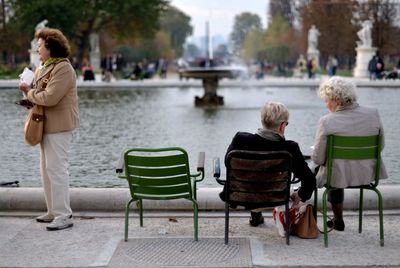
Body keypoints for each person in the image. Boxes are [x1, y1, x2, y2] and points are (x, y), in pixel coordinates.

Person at [19, 27, 80, 231]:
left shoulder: (63, 68)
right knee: (46, 170)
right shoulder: (43, 66)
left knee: (57, 169)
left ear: (50, 46)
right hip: (44, 123)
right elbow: (39, 95)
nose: (37, 47)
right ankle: (53, 211)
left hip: (59, 126)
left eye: (40, 44)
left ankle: (64, 214)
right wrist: (27, 97)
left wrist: (29, 92)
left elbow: (51, 97)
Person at [222, 102, 316, 227]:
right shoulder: (290, 148)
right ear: (282, 126)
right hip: (276, 198)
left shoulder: (240, 139)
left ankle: (255, 215)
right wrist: (298, 196)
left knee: (254, 177)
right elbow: (310, 181)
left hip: (240, 195)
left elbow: (227, 164)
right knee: (269, 182)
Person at [312, 77, 387, 231]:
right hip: (366, 175)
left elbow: (318, 158)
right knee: (336, 166)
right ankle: (337, 219)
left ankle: (336, 218)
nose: (326, 104)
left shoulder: (327, 121)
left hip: (338, 177)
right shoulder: (374, 113)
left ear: (335, 99)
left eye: (327, 100)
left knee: (327, 169)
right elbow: (381, 146)